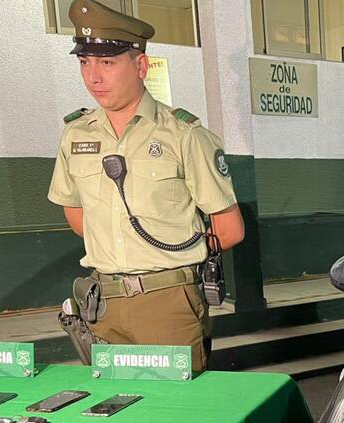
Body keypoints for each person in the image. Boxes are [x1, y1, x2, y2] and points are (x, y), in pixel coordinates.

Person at [48, 0, 244, 372]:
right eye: (84, 62)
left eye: (107, 62)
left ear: (140, 65)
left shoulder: (184, 135)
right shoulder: (75, 135)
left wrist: (161, 256)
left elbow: (229, 229)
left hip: (166, 303)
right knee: (117, 419)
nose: (94, 77)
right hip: (103, 304)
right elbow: (77, 215)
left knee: (178, 419)